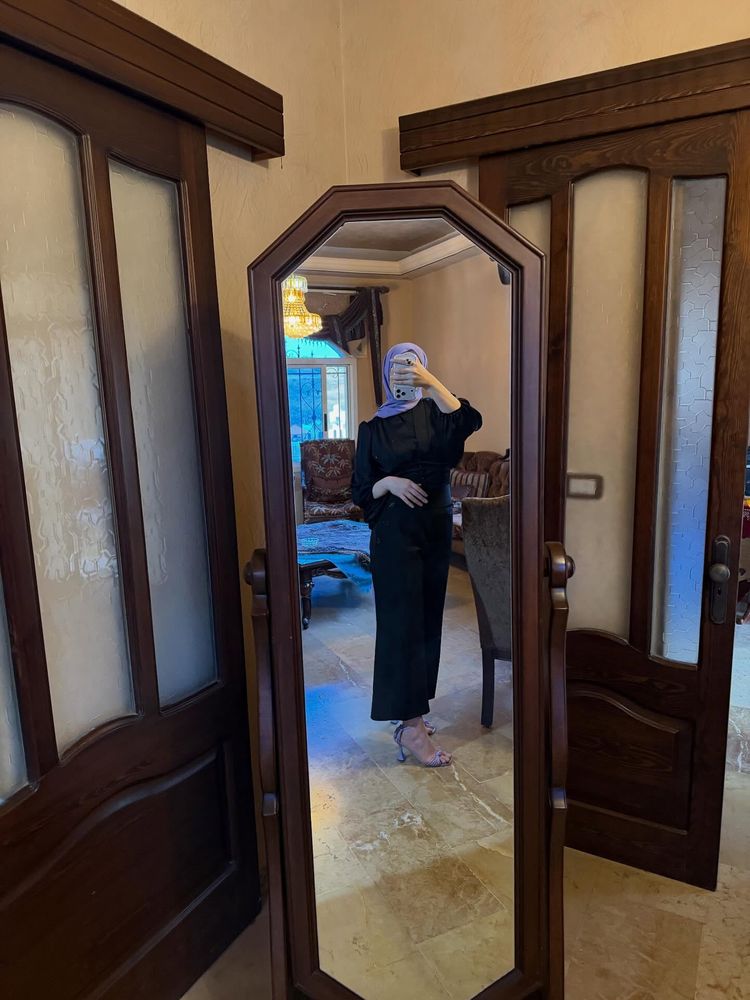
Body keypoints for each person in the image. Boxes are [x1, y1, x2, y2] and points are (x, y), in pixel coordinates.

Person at [352, 342, 482, 767]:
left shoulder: (437, 415)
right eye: (396, 368)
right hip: (394, 533)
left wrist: (433, 383)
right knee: (401, 627)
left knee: (427, 624)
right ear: (386, 375)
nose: (402, 375)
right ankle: (409, 728)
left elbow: (470, 420)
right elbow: (360, 489)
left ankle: (416, 712)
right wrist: (388, 483)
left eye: (411, 368)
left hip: (435, 529)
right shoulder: (372, 427)